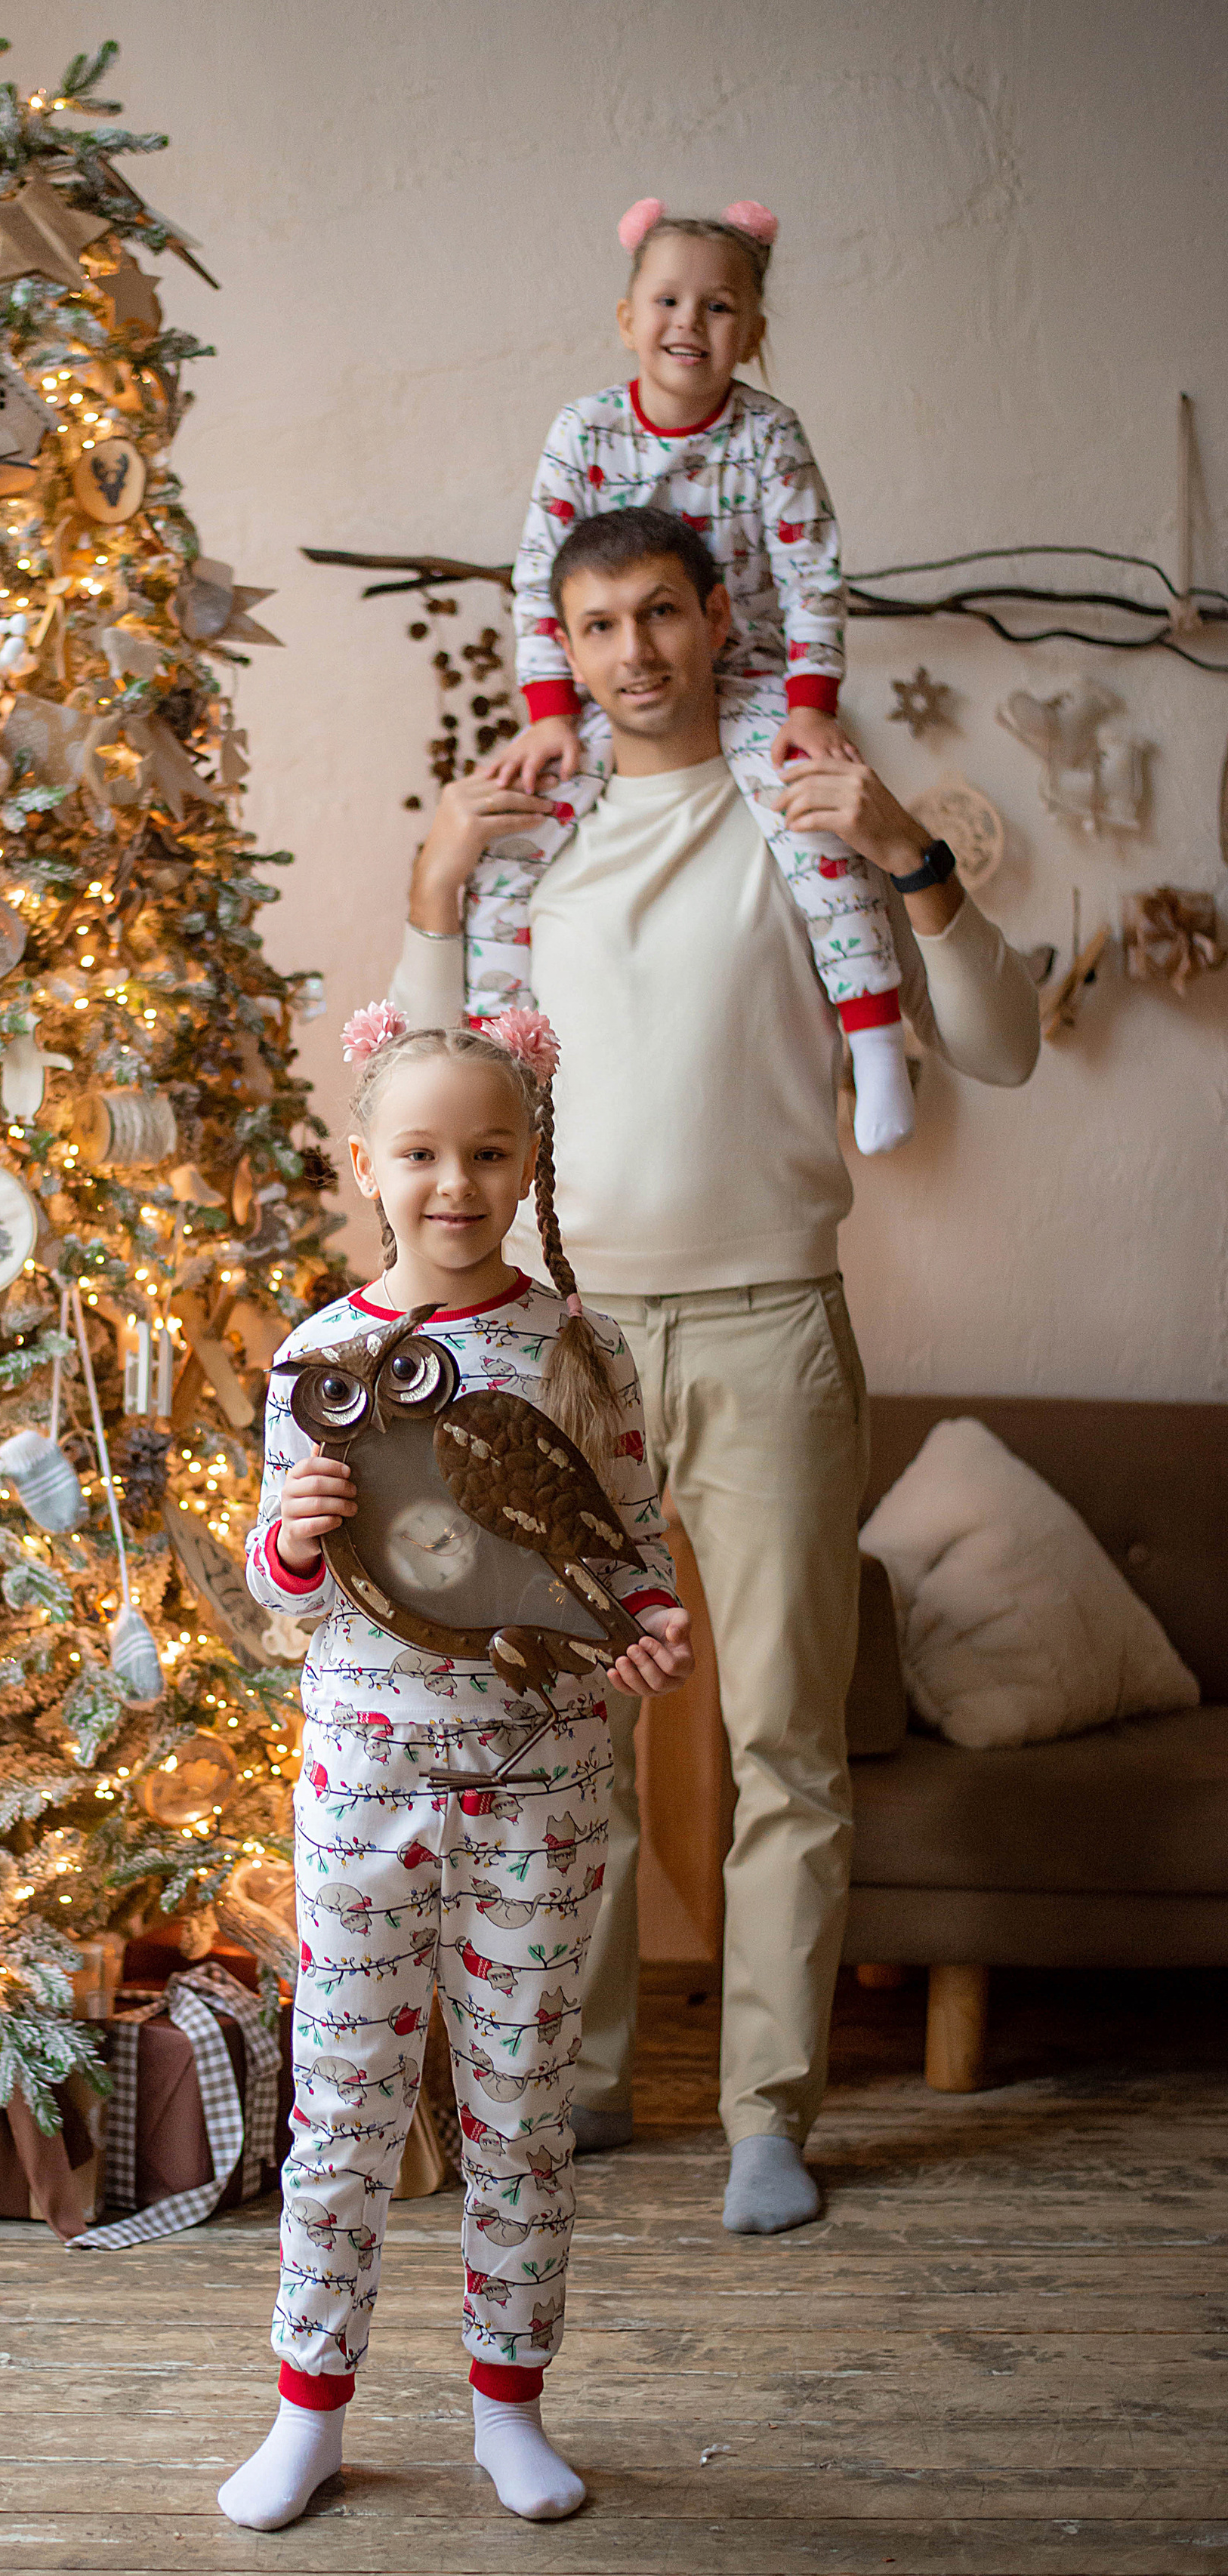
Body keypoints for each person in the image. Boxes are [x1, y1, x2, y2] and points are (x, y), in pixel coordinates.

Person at [390, 504, 1040, 2240]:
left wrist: (903, 844)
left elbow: (998, 1042)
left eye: (657, 613)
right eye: (592, 623)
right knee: (554, 1729)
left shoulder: (795, 799)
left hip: (767, 1324)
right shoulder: (537, 831)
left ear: (711, 616)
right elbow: (427, 1091)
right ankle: (580, 2078)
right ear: (566, 644)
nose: (628, 653)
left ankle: (768, 2109)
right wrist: (434, 890)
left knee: (782, 1741)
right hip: (558, 1343)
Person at [221, 1008, 695, 2532]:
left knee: (517, 2104)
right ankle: (307, 2406)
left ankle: (508, 2401)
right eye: (418, 1152)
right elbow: (279, 1590)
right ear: (366, 1163)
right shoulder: (317, 1352)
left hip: (540, 1799)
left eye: (486, 1151)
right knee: (342, 2102)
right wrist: (288, 1533)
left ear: (526, 1161)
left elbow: (623, 1544)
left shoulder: (580, 1346)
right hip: (361, 1790)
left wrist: (649, 1627)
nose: (452, 1182)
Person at [472, 196, 916, 1155]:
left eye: (718, 308)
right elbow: (538, 569)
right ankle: (491, 1053)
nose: (689, 324)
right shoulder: (584, 430)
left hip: (749, 680)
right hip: (613, 686)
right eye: (667, 301)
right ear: (627, 320)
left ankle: (873, 1034)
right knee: (513, 836)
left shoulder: (769, 435)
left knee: (814, 826)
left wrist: (809, 707)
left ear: (751, 334)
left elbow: (810, 574)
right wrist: (550, 712)